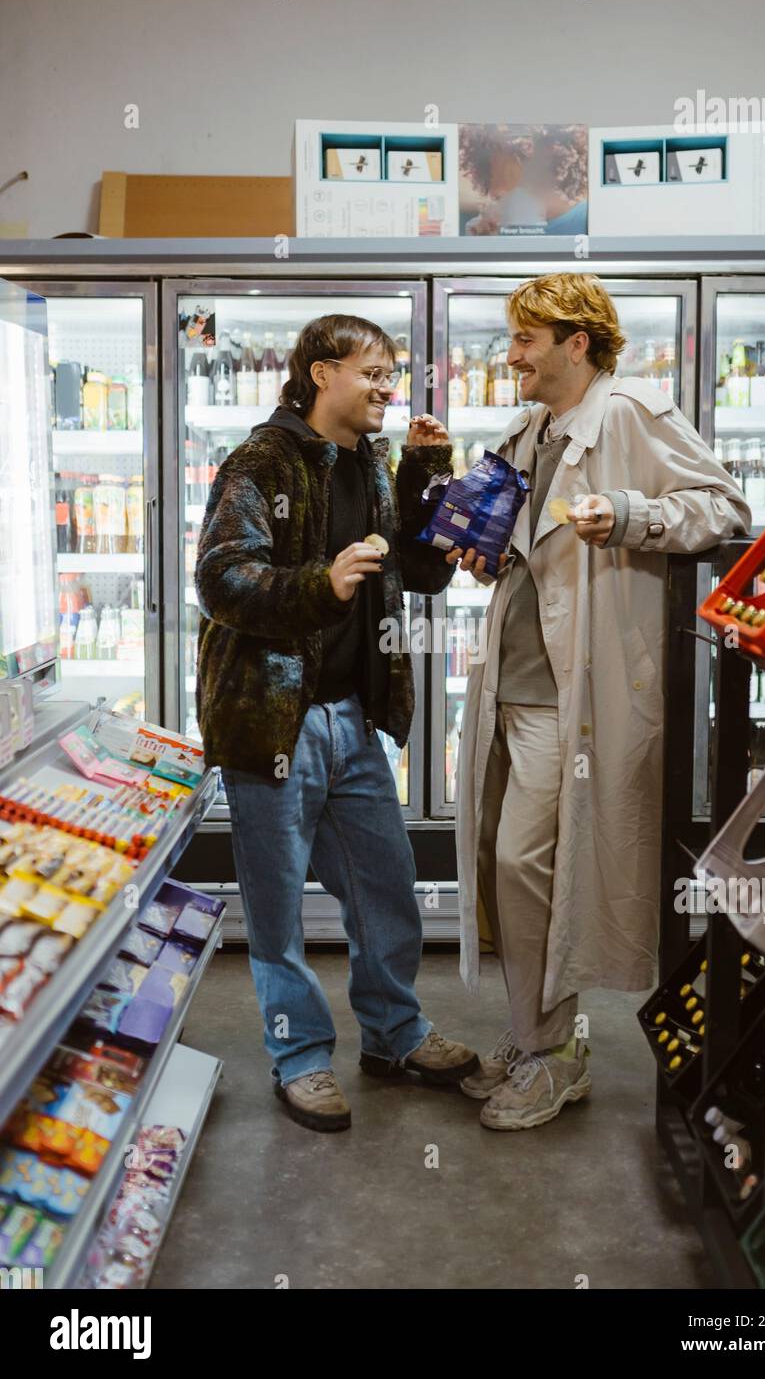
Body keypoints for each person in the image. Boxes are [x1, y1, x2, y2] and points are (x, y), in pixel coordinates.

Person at [449, 272, 750, 1131]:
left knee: (523, 865)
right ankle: (531, 1032)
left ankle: (556, 1054)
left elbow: (725, 506)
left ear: (577, 343)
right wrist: (477, 543)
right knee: (502, 867)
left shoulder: (628, 413)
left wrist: (628, 513)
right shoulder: (532, 426)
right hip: (511, 679)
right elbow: (519, 543)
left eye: (525, 341)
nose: (511, 356)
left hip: (571, 696)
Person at [194, 313, 478, 1133]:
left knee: (388, 893)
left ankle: (393, 1035)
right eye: (376, 372)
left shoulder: (377, 463)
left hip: (354, 720)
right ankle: (300, 1057)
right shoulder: (262, 461)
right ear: (323, 375)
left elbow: (422, 573)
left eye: (394, 374)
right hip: (271, 724)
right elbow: (221, 579)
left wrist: (431, 470)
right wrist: (323, 583)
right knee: (277, 914)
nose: (392, 386)